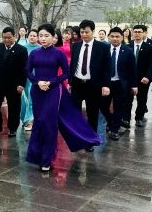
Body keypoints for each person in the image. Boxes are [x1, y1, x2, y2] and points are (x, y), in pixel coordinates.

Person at [25, 24, 100, 172]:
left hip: (53, 91)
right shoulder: (34, 54)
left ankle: (47, 159)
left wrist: (51, 83)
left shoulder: (58, 54)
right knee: (39, 121)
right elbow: (27, 70)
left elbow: (66, 73)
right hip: (37, 91)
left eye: (46, 36)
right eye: (41, 36)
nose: (43, 38)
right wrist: (37, 82)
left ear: (54, 38)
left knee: (49, 123)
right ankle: (36, 156)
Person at [69, 19, 111, 150]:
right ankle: (77, 137)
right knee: (75, 112)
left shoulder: (103, 47)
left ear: (93, 31)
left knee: (92, 113)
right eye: (82, 32)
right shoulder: (75, 46)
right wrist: (70, 82)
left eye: (87, 32)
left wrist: (106, 85)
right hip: (77, 84)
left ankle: (89, 140)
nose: (84, 34)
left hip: (93, 85)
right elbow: (73, 64)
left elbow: (107, 67)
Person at [0, 27, 28, 136]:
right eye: (4, 38)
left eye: (9, 38)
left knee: (14, 106)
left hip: (14, 84)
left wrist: (21, 84)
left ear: (14, 37)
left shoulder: (21, 50)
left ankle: (12, 128)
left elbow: (24, 69)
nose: (7, 40)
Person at [100, 27, 137, 141]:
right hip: (106, 84)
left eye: (117, 36)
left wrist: (134, 85)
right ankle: (112, 122)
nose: (115, 39)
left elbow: (133, 69)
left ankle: (114, 130)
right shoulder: (103, 49)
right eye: (112, 36)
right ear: (108, 37)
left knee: (119, 107)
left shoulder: (128, 51)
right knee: (103, 106)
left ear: (122, 37)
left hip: (121, 84)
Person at [126, 24, 152, 128]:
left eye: (140, 32)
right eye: (135, 32)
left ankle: (139, 118)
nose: (137, 34)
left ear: (144, 33)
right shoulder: (127, 46)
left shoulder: (149, 47)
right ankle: (126, 119)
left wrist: (148, 76)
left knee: (142, 99)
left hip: (142, 78)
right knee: (127, 99)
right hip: (129, 78)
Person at [20, 29, 40, 131]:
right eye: (31, 35)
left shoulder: (41, 49)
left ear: (38, 37)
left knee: (32, 99)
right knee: (23, 100)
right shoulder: (23, 49)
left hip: (36, 77)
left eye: (34, 36)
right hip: (24, 77)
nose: (32, 37)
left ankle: (30, 120)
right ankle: (24, 119)